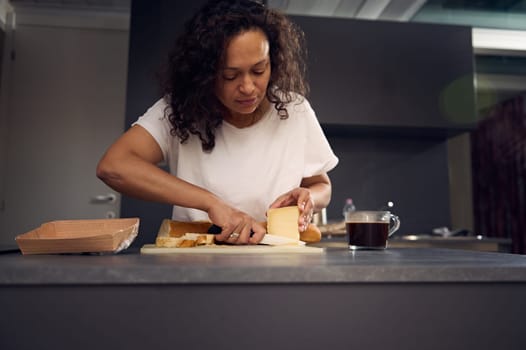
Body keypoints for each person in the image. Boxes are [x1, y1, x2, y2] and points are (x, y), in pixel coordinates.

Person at [96, 0, 339, 245]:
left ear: (272, 63)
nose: (247, 87)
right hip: (197, 258)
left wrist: (309, 197)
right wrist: (211, 203)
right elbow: (113, 167)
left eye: (258, 70)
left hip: (277, 261)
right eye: (230, 75)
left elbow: (322, 186)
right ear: (205, 74)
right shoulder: (179, 109)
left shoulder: (295, 110)